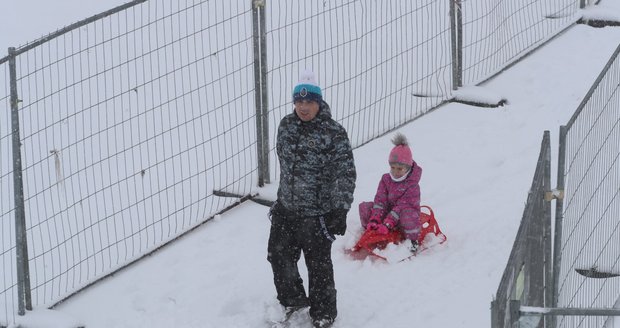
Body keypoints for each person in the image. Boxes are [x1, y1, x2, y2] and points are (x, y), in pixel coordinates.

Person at [267, 70, 356, 328]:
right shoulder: (286, 125)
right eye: (299, 102)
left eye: (309, 102)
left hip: (317, 213)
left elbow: (344, 173)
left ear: (319, 102)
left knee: (318, 266)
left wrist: (339, 209)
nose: (303, 108)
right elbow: (285, 164)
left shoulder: (334, 133)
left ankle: (323, 313)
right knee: (278, 254)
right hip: (287, 207)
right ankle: (292, 299)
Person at [359, 132, 422, 252]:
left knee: (408, 216)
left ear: (408, 168)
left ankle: (412, 241)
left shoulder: (412, 185)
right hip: (388, 214)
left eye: (400, 169)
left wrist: (388, 223)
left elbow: (401, 206)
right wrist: (375, 219)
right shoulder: (386, 179)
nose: (395, 172)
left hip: (403, 214)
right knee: (365, 207)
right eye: (393, 167)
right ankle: (371, 229)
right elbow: (380, 201)